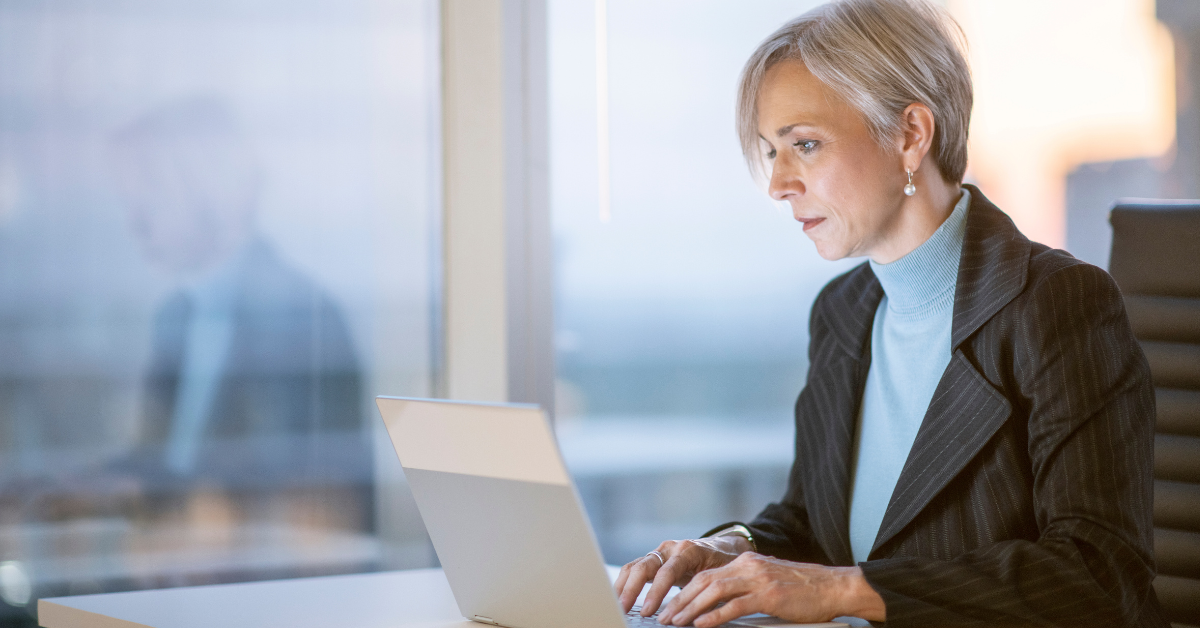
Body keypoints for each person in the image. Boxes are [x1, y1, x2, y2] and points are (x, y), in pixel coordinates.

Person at [614, 1, 1164, 626]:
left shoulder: (1057, 304)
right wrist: (728, 547)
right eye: (771, 152)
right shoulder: (843, 312)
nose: (778, 183)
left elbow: (1099, 574)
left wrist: (841, 592)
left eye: (806, 145)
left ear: (909, 136)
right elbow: (810, 522)